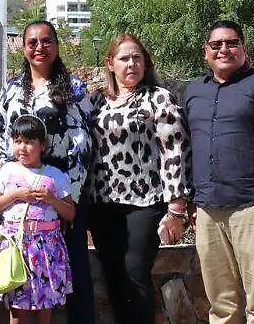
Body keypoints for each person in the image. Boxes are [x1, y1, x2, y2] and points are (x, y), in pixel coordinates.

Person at [184, 20, 254, 324]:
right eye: (216, 44)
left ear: (243, 48)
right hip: (208, 210)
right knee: (221, 306)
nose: (224, 49)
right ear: (205, 52)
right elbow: (186, 149)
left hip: (253, 208)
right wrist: (192, 201)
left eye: (231, 43)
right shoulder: (193, 92)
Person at [0, 20, 94, 324]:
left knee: (71, 275)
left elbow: (83, 142)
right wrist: (7, 177)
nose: (39, 48)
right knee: (18, 286)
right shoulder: (12, 89)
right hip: (17, 201)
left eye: (46, 41)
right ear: (23, 47)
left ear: (57, 46)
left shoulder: (74, 89)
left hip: (58, 195)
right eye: (32, 42)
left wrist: (64, 201)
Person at [88, 34, 189, 324]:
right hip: (103, 203)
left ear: (145, 63)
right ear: (110, 64)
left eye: (137, 58)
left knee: (135, 273)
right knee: (113, 274)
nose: (131, 63)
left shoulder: (159, 98)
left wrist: (176, 207)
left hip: (144, 202)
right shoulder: (96, 102)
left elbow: (174, 151)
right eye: (124, 58)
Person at [0, 115, 76, 323]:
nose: (22, 148)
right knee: (17, 307)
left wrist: (52, 199)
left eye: (29, 142)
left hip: (46, 248)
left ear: (42, 145)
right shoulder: (7, 171)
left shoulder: (56, 175)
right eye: (18, 141)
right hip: (16, 247)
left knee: (46, 305)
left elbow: (70, 213)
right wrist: (15, 195)